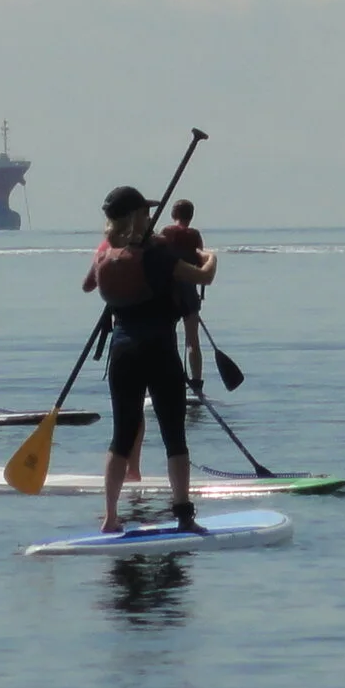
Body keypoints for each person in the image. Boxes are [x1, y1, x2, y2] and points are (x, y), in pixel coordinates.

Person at [82, 184, 219, 534]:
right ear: (134, 217)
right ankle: (184, 515)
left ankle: (111, 517)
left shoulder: (104, 253)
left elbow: (88, 285)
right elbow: (205, 276)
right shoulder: (156, 252)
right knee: (174, 433)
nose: (149, 217)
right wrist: (210, 256)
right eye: (144, 212)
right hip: (158, 348)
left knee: (122, 435)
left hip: (122, 350)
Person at [159, 198, 209, 393]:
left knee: (165, 338)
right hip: (189, 290)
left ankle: (164, 381)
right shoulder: (195, 235)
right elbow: (200, 262)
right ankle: (196, 383)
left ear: (173, 215)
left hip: (167, 292)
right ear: (191, 216)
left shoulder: (166, 232)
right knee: (192, 340)